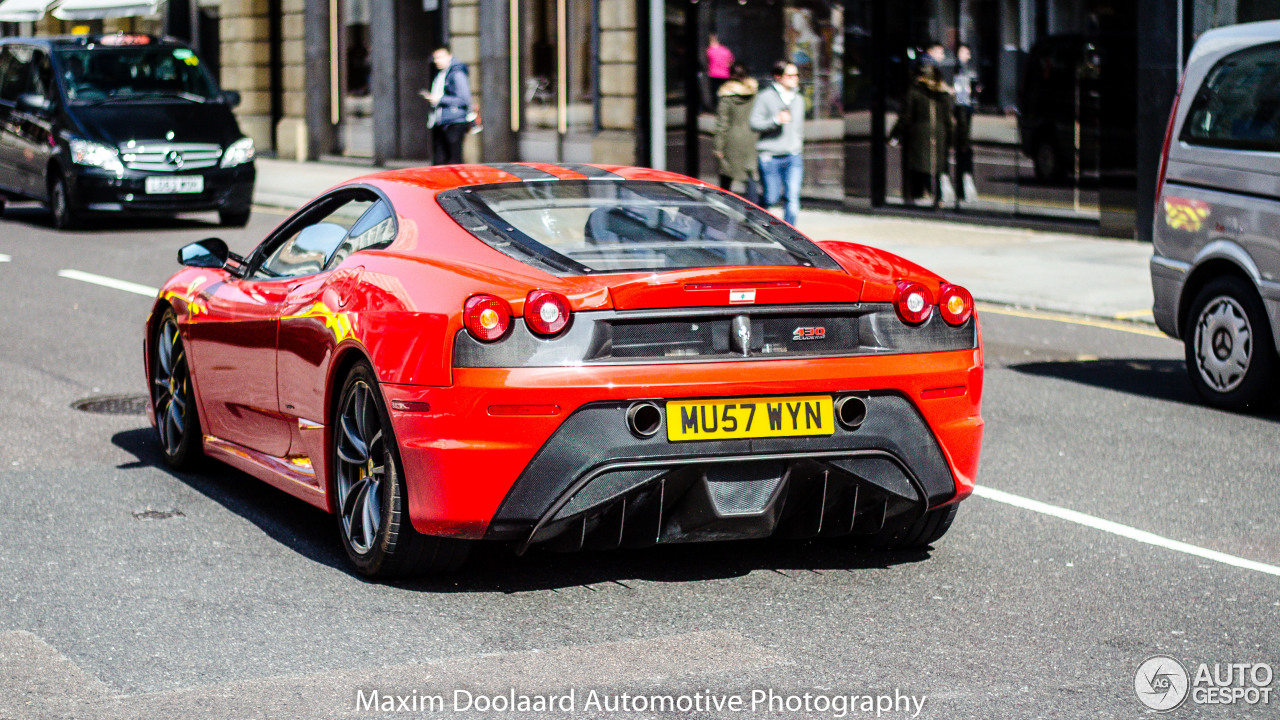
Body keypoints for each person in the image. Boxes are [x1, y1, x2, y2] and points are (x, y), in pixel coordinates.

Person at [889, 62, 954, 207]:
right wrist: (950, 140)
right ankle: (938, 197)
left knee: (918, 166)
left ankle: (917, 196)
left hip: (919, 135)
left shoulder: (915, 92)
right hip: (939, 134)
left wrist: (894, 134)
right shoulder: (943, 94)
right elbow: (949, 121)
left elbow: (905, 117)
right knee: (936, 167)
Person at [750, 60, 806, 225]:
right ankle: (758, 227)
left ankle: (791, 236)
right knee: (771, 197)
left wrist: (797, 145)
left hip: (793, 155)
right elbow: (754, 123)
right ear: (778, 77)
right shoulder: (765, 97)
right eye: (790, 75)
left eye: (796, 75)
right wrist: (775, 120)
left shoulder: (799, 99)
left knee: (793, 197)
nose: (795, 78)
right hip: (770, 156)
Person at [713, 63, 760, 203]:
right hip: (751, 137)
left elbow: (723, 124)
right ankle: (753, 212)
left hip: (731, 140)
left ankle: (723, 208)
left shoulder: (726, 96)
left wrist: (718, 147)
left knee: (726, 176)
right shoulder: (754, 92)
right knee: (750, 175)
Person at [420, 46, 472, 166]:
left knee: (454, 159)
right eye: (435, 58)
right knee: (439, 161)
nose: (437, 60)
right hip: (440, 121)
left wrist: (440, 99)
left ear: (449, 56)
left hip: (454, 121)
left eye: (440, 57)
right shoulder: (440, 74)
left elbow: (464, 99)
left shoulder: (456, 73)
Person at [952, 44, 980, 201]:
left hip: (964, 113)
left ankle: (960, 190)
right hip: (962, 115)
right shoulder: (960, 70)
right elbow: (961, 99)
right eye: (966, 53)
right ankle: (961, 190)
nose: (968, 56)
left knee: (962, 152)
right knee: (962, 151)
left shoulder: (963, 68)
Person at [705, 33, 734, 105]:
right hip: (725, 74)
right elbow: (731, 61)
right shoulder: (725, 50)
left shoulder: (708, 51)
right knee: (725, 92)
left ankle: (716, 107)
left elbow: (707, 62)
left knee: (714, 92)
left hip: (713, 74)